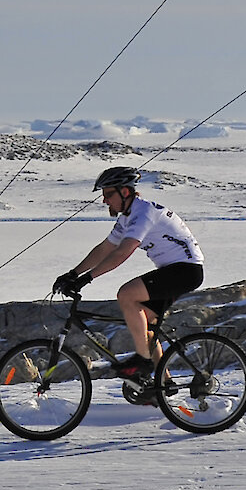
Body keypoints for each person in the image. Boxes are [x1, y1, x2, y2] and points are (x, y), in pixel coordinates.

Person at [52, 166, 205, 404]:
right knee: (144, 325)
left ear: (125, 192)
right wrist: (73, 274)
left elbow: (123, 251)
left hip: (185, 270)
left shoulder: (143, 213)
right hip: (174, 271)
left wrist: (87, 278)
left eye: (108, 194)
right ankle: (163, 383)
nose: (104, 200)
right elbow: (106, 248)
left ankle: (142, 363)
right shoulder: (128, 217)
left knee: (126, 295)